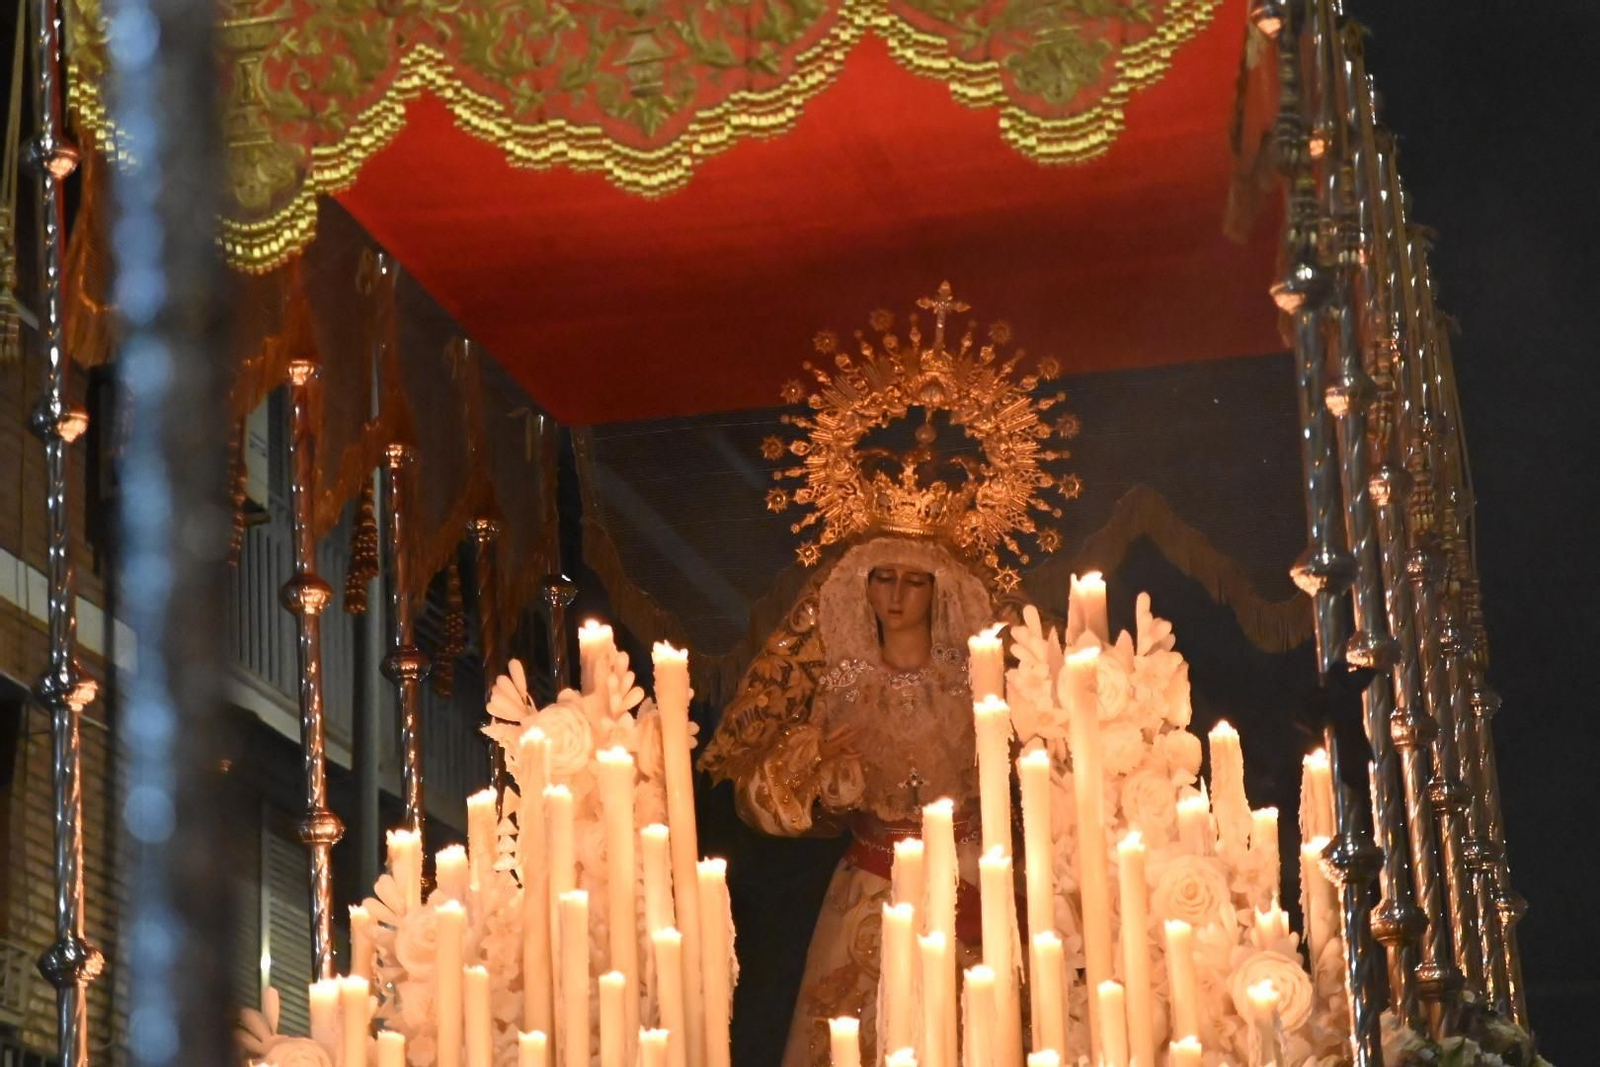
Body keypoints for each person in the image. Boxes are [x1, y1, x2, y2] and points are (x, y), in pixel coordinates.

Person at [701, 534, 994, 1066]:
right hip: (871, 884)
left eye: (913, 581)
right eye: (883, 578)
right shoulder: (842, 685)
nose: (896, 596)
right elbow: (784, 798)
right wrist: (818, 763)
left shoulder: (973, 677)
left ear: (939, 589)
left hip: (968, 876)